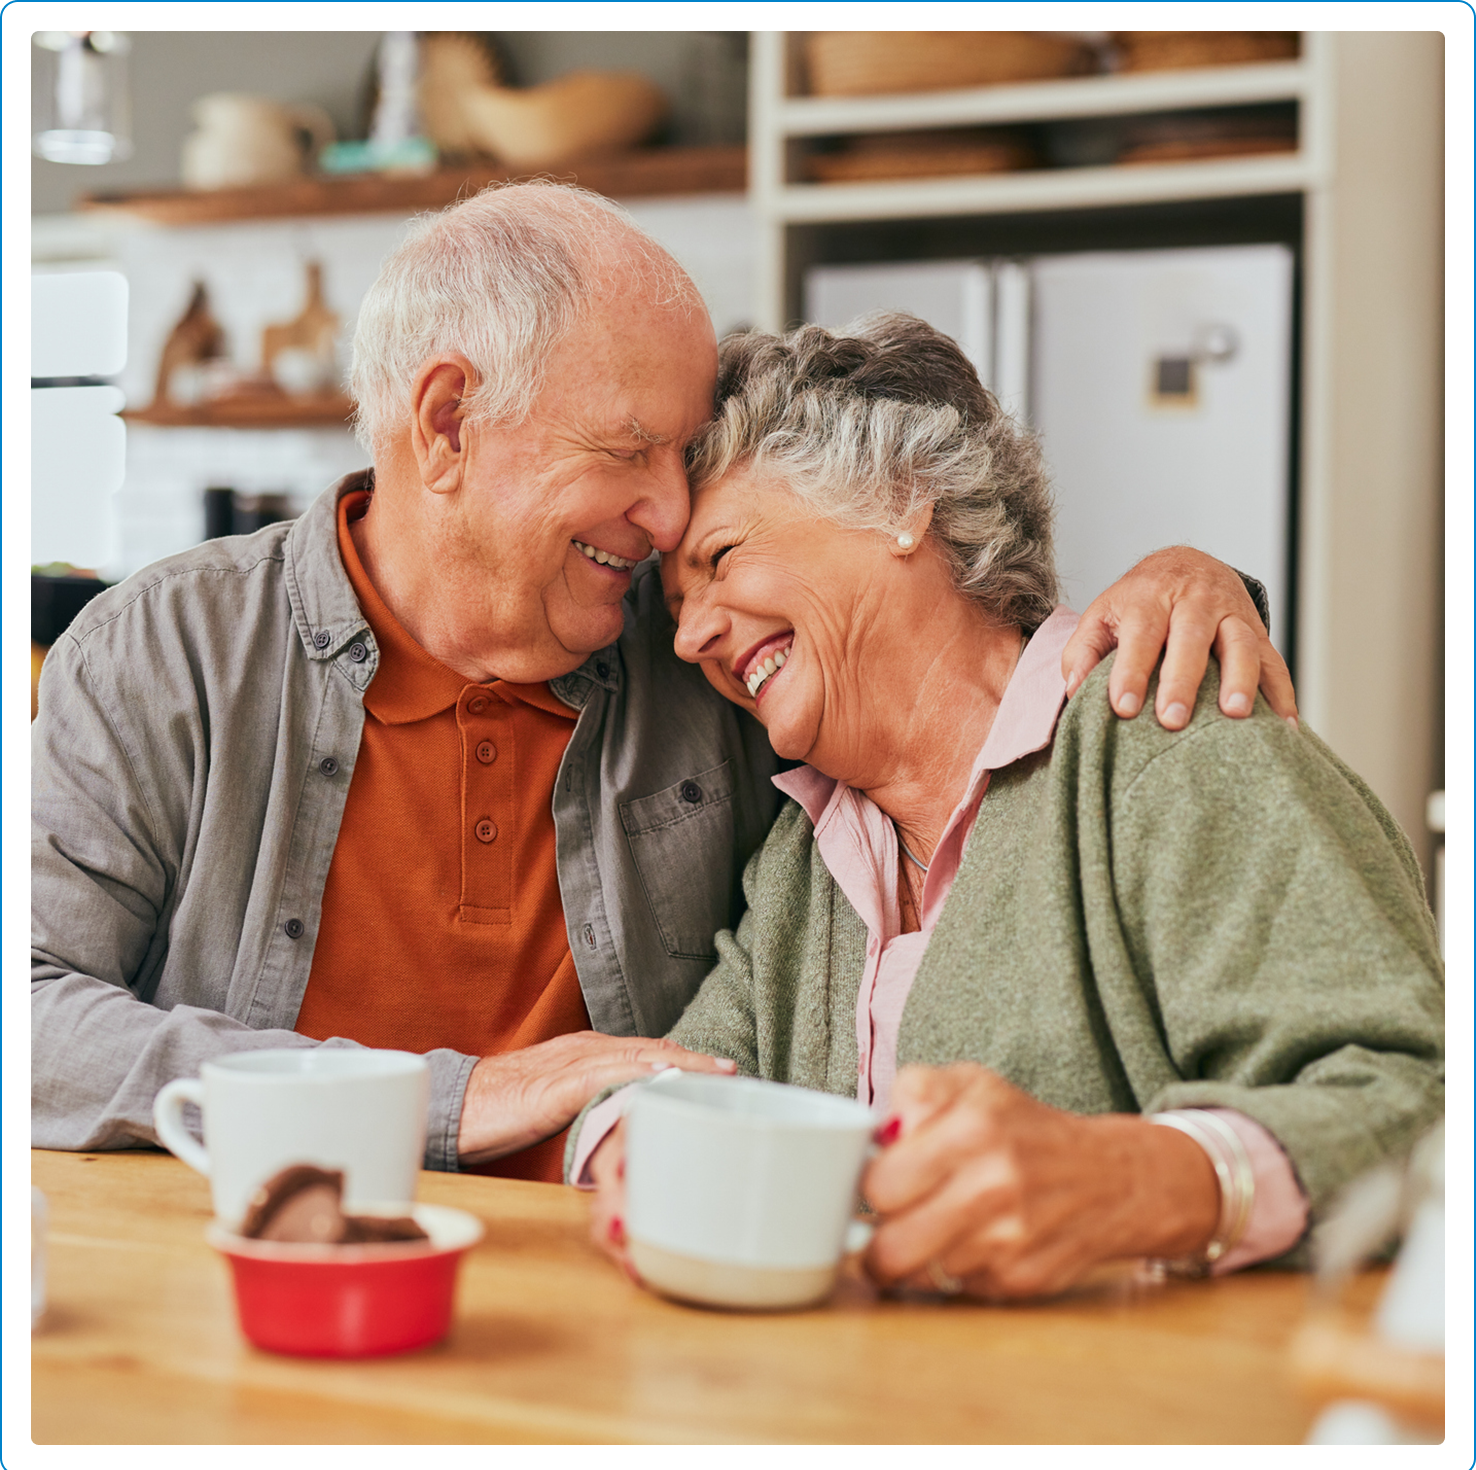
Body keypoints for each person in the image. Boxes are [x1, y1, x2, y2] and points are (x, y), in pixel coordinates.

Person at [31, 184, 1294, 1184]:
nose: (672, 515)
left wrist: (1190, 582)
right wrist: (446, 1101)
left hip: (612, 1296)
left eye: (683, 464)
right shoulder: (168, 650)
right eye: (631, 449)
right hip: (247, 1275)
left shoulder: (691, 648)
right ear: (450, 422)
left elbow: (932, 656)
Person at [578, 314, 1443, 1297]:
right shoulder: (806, 859)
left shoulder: (1166, 744)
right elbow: (683, 1080)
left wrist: (1133, 1181)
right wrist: (628, 1140)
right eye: (676, 608)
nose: (690, 638)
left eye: (723, 558)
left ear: (899, 502)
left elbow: (1408, 1097)